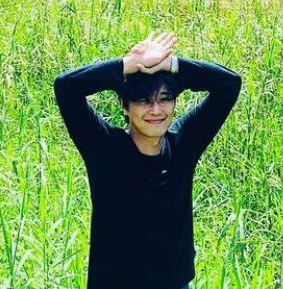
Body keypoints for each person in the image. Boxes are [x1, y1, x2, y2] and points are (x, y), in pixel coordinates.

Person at [53, 29, 241, 289]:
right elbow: (66, 86)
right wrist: (126, 66)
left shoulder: (184, 143)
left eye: (165, 99)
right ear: (124, 105)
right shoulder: (104, 149)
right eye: (143, 101)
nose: (156, 110)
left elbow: (229, 83)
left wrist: (171, 65)